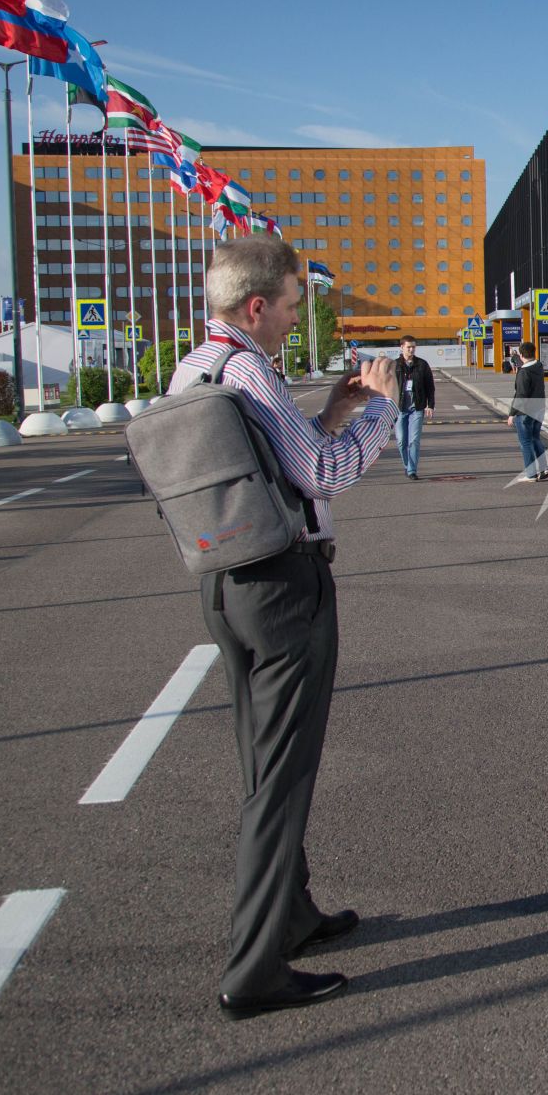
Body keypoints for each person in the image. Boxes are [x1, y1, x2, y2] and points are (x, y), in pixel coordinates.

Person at [167, 235, 398, 1020]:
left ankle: (291, 915)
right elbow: (323, 473)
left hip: (227, 584)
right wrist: (386, 411)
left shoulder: (195, 367)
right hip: (283, 588)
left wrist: (335, 412)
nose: (298, 320)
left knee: (262, 763)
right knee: (282, 779)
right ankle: (255, 967)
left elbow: (273, 457)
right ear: (257, 307)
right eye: (294, 306)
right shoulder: (249, 368)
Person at [393, 335, 436, 479]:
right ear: (402, 347)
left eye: (413, 347)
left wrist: (430, 405)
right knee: (401, 441)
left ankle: (412, 470)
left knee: (414, 441)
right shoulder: (394, 365)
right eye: (408, 347)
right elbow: (388, 388)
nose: (411, 349)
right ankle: (407, 465)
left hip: (417, 408)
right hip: (399, 409)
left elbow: (430, 386)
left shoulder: (422, 365)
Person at [509, 338, 548, 481]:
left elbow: (521, 395)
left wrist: (511, 414)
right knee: (535, 438)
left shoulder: (523, 372)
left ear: (521, 355)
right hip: (539, 408)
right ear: (534, 353)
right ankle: (544, 468)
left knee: (525, 442)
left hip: (525, 412)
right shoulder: (539, 367)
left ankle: (531, 474)